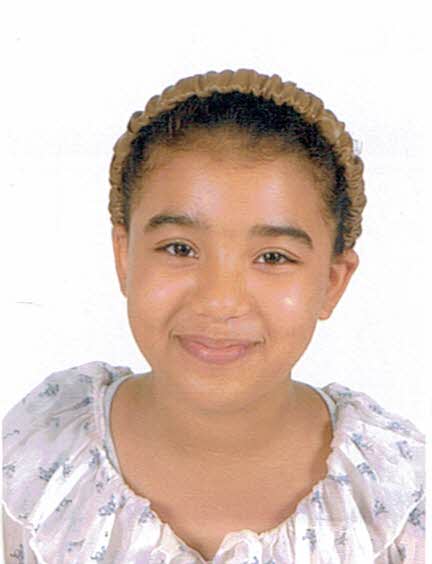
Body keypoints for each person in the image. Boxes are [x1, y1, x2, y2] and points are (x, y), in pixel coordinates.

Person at [2, 68, 425, 563]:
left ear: (332, 283)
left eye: (273, 257)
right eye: (179, 248)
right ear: (124, 258)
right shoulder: (39, 468)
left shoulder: (395, 494)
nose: (221, 301)